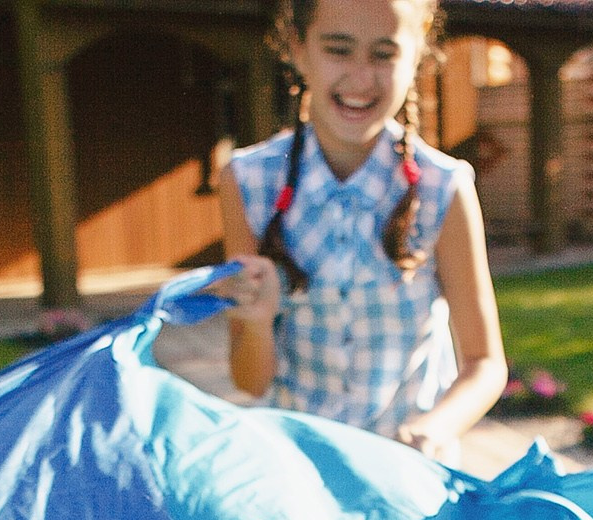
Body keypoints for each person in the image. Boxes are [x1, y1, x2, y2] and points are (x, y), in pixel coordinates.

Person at [210, 0, 507, 466]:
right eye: (338, 50)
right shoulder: (247, 182)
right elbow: (250, 381)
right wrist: (256, 323)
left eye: (384, 54)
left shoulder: (443, 188)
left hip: (409, 476)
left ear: (417, 53)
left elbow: (485, 365)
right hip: (300, 474)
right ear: (298, 49)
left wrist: (434, 428)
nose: (361, 78)